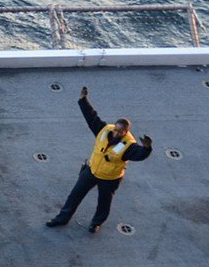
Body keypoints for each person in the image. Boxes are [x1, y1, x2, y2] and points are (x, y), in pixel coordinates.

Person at [46, 86, 153, 232]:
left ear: (126, 132)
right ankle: (62, 218)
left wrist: (147, 148)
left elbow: (140, 154)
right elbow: (91, 117)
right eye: (115, 129)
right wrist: (83, 100)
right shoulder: (104, 130)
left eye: (120, 132)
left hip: (110, 178)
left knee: (104, 202)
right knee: (75, 195)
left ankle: (96, 223)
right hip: (91, 170)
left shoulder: (129, 145)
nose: (116, 133)